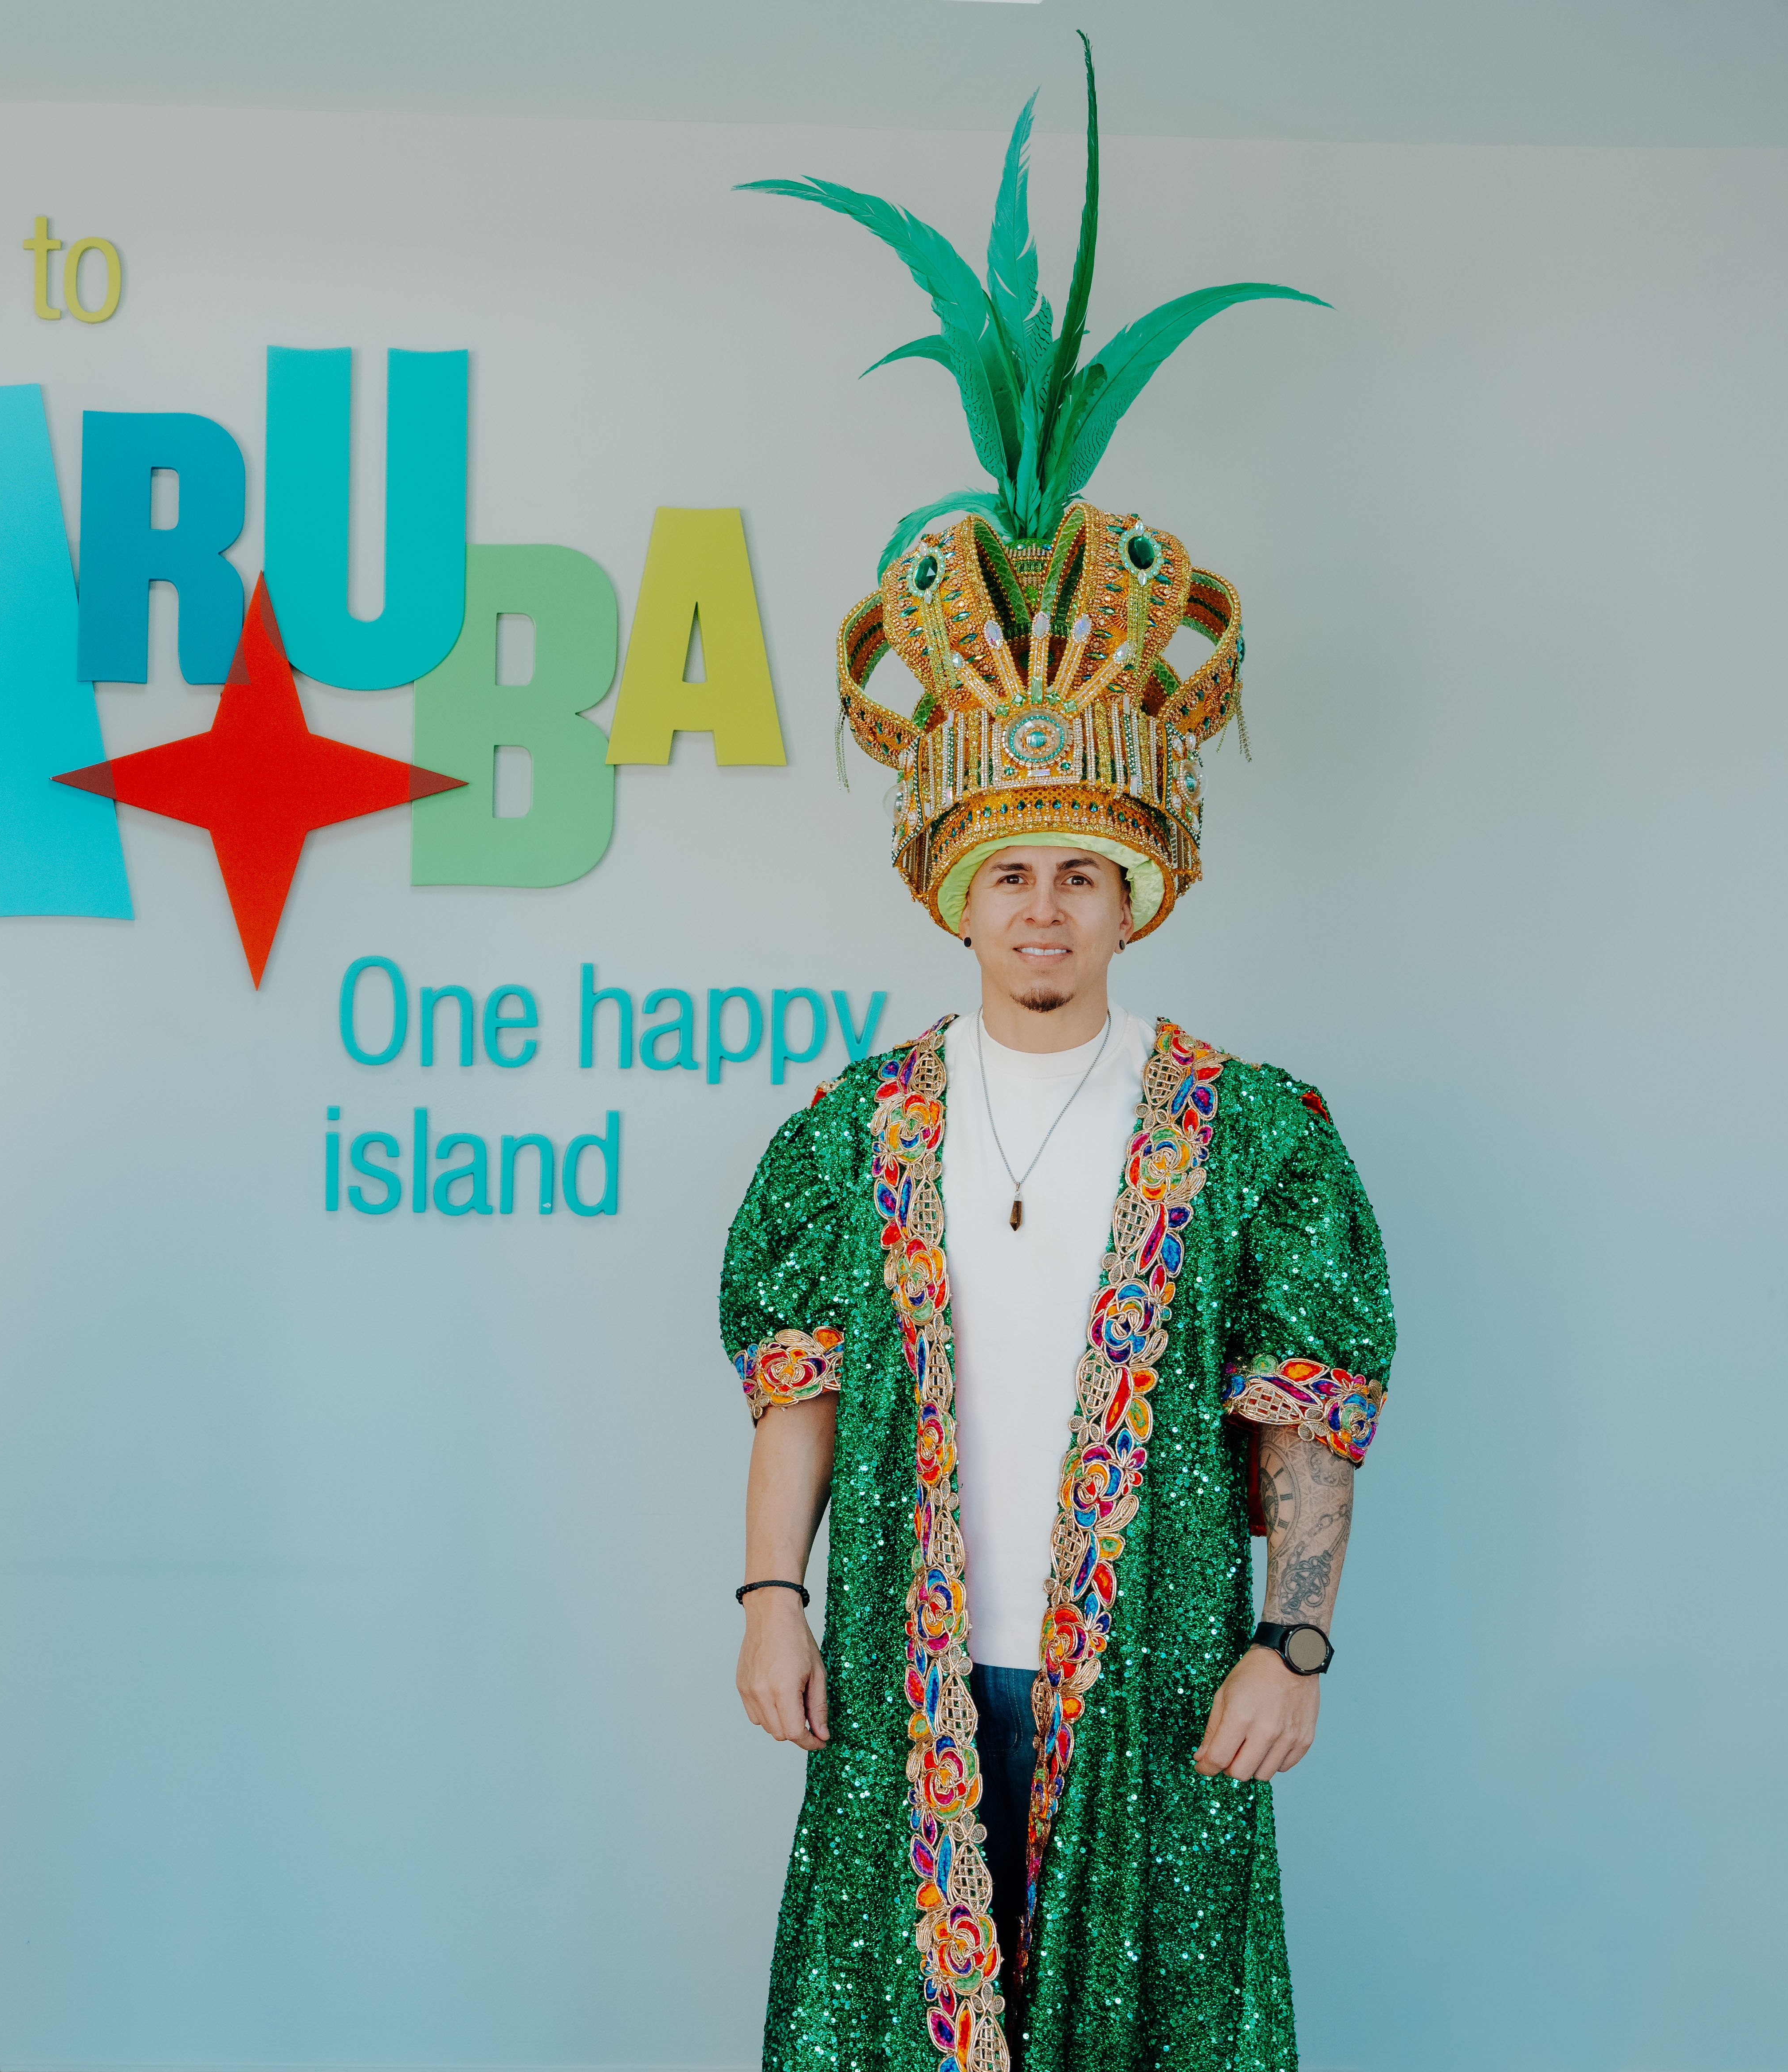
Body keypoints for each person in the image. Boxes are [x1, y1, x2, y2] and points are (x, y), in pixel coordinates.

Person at [723, 52, 1390, 2072]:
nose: (1044, 909)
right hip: (911, 1692)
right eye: (1011, 872)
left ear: (1134, 894)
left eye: (1080, 875)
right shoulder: (855, 1132)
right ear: (958, 890)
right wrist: (771, 1596)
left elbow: (1306, 1409)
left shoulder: (1248, 1133)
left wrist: (1293, 1637)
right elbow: (799, 1383)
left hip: (1159, 1691)